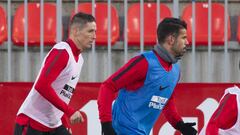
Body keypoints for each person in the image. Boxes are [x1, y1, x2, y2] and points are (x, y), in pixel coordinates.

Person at [97, 17, 197, 135]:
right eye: (184, 38)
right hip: (121, 130)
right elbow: (107, 87)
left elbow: (166, 100)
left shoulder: (175, 70)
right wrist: (107, 125)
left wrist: (180, 125)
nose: (187, 42)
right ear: (171, 39)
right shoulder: (144, 63)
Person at [14, 12, 96, 135]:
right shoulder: (62, 51)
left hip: (53, 124)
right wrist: (69, 111)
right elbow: (42, 85)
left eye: (95, 31)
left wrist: (64, 121)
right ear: (76, 31)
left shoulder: (80, 59)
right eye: (90, 31)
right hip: (32, 122)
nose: (94, 36)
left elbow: (62, 94)